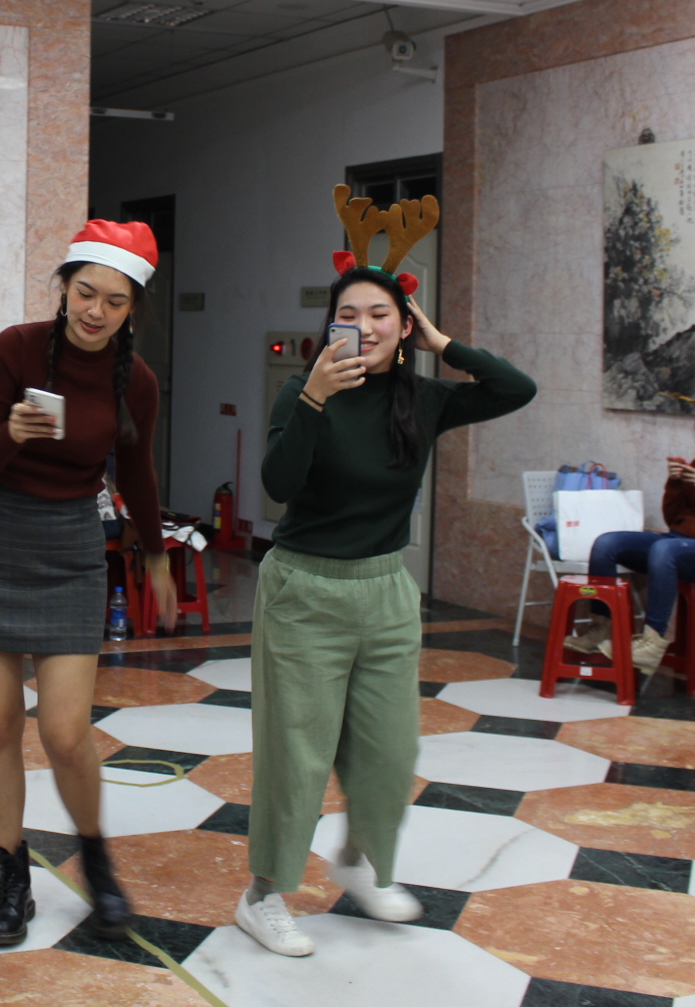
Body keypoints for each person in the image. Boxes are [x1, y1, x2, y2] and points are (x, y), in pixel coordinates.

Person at [237, 253, 536, 958]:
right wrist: (312, 398)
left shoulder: (422, 398)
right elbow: (279, 484)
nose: (364, 326)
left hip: (385, 592)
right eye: (349, 314)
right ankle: (263, 895)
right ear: (330, 326)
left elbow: (515, 388)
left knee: (390, 750)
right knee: (297, 756)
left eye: (381, 315)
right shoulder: (304, 392)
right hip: (304, 591)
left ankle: (360, 863)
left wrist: (443, 344)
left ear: (404, 327)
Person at [0, 220, 175, 947]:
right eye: (85, 293)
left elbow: (136, 471)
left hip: (72, 547)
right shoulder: (14, 350)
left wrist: (157, 553)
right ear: (64, 288)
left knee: (67, 732)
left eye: (114, 300)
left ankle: (97, 862)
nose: (95, 311)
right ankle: (10, 876)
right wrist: (11, 432)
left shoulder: (136, 381)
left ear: (132, 308)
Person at [574, 402, 695, 673]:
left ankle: (652, 641)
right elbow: (674, 519)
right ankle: (602, 627)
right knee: (606, 543)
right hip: (680, 540)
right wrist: (675, 483)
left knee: (665, 550)